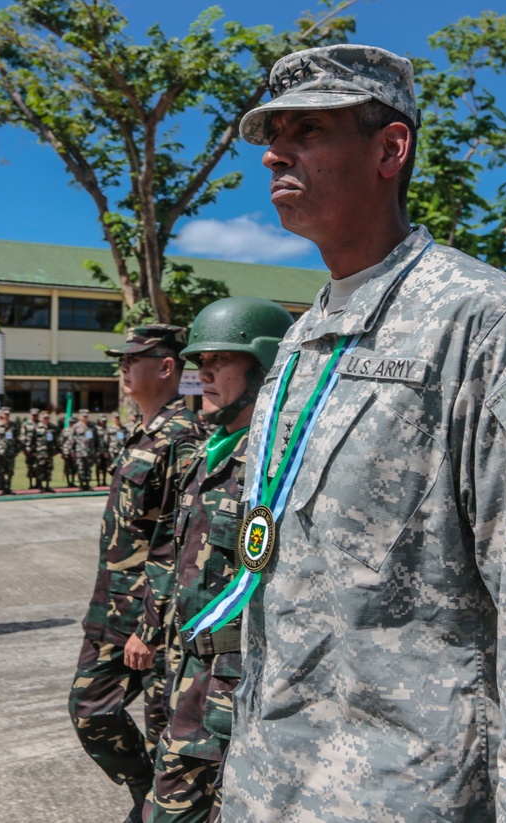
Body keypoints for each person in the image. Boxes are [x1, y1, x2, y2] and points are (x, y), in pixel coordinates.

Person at [212, 44, 506, 821]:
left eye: (307, 129)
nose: (273, 152)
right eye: (274, 133)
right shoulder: (304, 336)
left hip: (405, 793)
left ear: (389, 149)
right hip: (272, 784)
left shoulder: (483, 322)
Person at [131, 297, 294, 823]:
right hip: (184, 675)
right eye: (198, 364)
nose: (201, 375)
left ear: (263, 367)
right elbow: (172, 556)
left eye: (218, 361)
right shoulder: (208, 453)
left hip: (235, 690)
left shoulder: (278, 469)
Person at [68, 325, 205, 823]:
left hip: (149, 619)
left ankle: (156, 807)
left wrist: (150, 627)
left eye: (133, 359)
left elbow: (178, 540)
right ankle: (145, 792)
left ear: (167, 367)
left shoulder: (183, 438)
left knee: (159, 724)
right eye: (120, 360)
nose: (122, 367)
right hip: (112, 606)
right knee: (90, 709)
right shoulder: (146, 431)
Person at [68, 408, 98, 491]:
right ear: (80, 417)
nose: (85, 418)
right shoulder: (76, 426)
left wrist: (96, 450)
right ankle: (81, 484)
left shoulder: (92, 426)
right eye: (83, 416)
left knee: (88, 469)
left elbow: (96, 439)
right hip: (79, 451)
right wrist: (71, 450)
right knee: (80, 468)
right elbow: (71, 439)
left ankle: (87, 484)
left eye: (86, 416)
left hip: (89, 451)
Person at [34, 410, 59, 492]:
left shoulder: (53, 428)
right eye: (44, 418)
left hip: (49, 453)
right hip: (40, 452)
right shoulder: (36, 427)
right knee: (40, 469)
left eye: (47, 418)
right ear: (41, 418)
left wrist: (56, 450)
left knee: (49, 469)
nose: (46, 419)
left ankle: (47, 485)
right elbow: (32, 440)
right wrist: (32, 451)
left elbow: (56, 440)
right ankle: (40, 486)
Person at [21, 408, 41, 489]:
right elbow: (22, 437)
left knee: (39, 466)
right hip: (29, 449)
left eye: (36, 415)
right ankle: (30, 484)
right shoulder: (26, 424)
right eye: (33, 415)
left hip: (39, 449)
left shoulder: (40, 424)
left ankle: (38, 483)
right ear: (30, 415)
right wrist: (24, 448)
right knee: (30, 467)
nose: (34, 416)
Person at [95, 414, 111, 486]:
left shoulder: (108, 429)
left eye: (105, 421)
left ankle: (104, 481)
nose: (104, 422)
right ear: (99, 420)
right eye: (102, 421)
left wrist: (107, 451)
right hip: (98, 451)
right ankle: (98, 482)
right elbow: (94, 441)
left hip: (106, 451)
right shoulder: (95, 429)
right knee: (98, 466)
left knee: (104, 467)